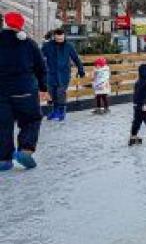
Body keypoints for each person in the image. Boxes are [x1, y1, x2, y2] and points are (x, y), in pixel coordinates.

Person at [0, 12, 47, 170]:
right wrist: (43, 87)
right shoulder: (29, 43)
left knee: (3, 124)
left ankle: (3, 160)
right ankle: (25, 151)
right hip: (25, 90)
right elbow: (41, 67)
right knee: (31, 119)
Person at [42, 29, 85, 121]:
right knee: (52, 93)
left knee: (60, 93)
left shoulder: (69, 46)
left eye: (61, 39)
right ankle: (55, 111)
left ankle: (62, 111)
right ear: (54, 37)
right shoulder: (47, 46)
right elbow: (40, 56)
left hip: (64, 74)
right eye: (58, 39)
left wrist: (81, 70)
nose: (60, 41)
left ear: (64, 37)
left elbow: (76, 58)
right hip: (51, 74)